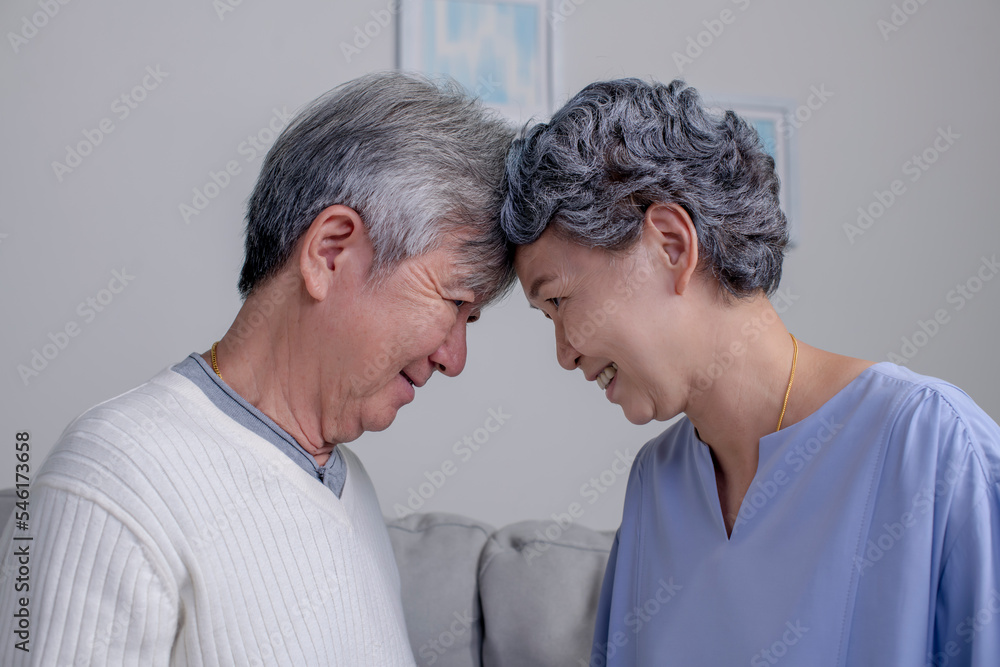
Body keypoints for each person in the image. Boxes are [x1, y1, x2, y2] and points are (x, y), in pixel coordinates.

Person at [0, 71, 515, 665]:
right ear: (330, 252)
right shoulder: (112, 481)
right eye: (454, 303)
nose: (454, 358)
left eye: (470, 321)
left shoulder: (350, 488)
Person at [500, 78, 1000, 665]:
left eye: (558, 301)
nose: (564, 352)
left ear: (670, 245)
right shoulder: (656, 483)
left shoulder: (933, 445)